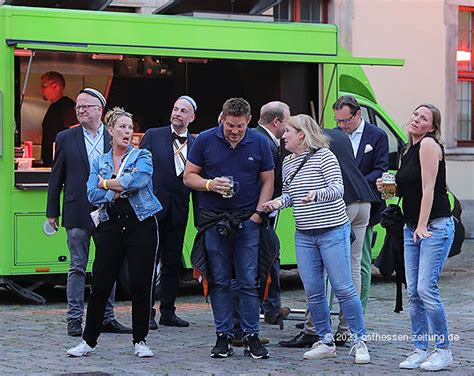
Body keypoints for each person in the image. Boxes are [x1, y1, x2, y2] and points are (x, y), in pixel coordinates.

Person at [262, 114, 370, 364]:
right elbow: (290, 194)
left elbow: (337, 189)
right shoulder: (288, 162)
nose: (283, 135)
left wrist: (316, 194)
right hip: (305, 234)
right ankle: (325, 340)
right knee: (312, 290)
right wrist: (278, 202)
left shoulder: (325, 156)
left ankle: (359, 341)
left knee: (343, 287)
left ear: (302, 134)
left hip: (332, 230)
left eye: (288, 131)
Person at [67, 107, 162, 358]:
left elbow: (138, 181)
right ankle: (88, 341)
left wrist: (106, 183)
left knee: (141, 283)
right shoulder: (99, 160)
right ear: (110, 131)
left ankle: (140, 340)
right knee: (101, 283)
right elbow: (91, 194)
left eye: (130, 128)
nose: (127, 132)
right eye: (122, 127)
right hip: (110, 224)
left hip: (140, 223)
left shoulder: (143, 155)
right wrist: (115, 189)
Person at [184, 98, 274, 359]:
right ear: (222, 118)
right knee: (219, 280)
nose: (235, 131)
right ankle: (222, 335)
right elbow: (189, 176)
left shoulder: (259, 141)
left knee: (248, 280)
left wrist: (258, 214)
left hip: (248, 219)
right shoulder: (205, 140)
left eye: (240, 126)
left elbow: (268, 180)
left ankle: (251, 336)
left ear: (249, 122)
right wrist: (210, 185)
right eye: (231, 125)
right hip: (214, 220)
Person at [46, 88, 131, 337]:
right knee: (77, 266)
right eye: (78, 107)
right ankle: (74, 318)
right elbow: (56, 177)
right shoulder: (65, 138)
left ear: (99, 110)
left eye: (86, 106)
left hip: (109, 209)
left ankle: (107, 317)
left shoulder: (113, 136)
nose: (80, 110)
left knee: (109, 266)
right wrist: (52, 211)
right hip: (77, 210)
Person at [376, 104, 455, 371]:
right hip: (412, 226)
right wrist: (390, 188)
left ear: (432, 127)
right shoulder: (408, 149)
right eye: (415, 114)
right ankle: (420, 349)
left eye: (424, 118)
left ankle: (443, 350)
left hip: (435, 225)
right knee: (414, 293)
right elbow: (409, 188)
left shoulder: (430, 145)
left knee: (425, 289)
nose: (416, 119)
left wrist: (421, 225)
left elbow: (429, 189)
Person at [333, 95, 389, 332]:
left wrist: (355, 184)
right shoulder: (336, 136)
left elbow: (380, 168)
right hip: (339, 203)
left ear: (357, 115)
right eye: (338, 122)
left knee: (361, 262)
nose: (342, 126)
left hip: (365, 204)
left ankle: (357, 315)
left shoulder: (377, 136)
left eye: (345, 121)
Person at [141, 96, 197, 329]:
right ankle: (146, 313)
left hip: (180, 209)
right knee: (148, 261)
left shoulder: (196, 143)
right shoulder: (153, 135)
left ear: (191, 117)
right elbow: (139, 170)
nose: (177, 113)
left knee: (173, 262)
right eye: (175, 109)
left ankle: (168, 311)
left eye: (183, 111)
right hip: (154, 207)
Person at [40, 71, 77, 167]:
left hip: (61, 163)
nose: (42, 90)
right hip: (52, 162)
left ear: (55, 86)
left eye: (44, 86)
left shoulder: (66, 105)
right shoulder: (53, 106)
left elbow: (75, 130)